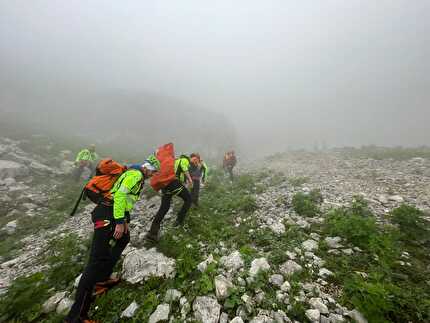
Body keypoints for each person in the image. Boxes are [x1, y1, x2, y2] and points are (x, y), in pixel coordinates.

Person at [64, 162, 157, 323]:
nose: (153, 175)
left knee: (124, 238)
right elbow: (120, 195)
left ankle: (102, 279)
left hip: (110, 211)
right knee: (95, 262)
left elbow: (122, 198)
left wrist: (124, 219)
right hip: (108, 214)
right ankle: (76, 317)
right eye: (153, 172)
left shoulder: (135, 174)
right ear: (147, 168)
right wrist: (120, 221)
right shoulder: (136, 175)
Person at [145, 154, 192, 242]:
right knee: (188, 199)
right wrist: (190, 179)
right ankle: (179, 221)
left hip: (165, 184)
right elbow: (184, 168)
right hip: (174, 183)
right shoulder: (184, 160)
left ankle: (152, 233)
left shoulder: (174, 161)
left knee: (164, 208)